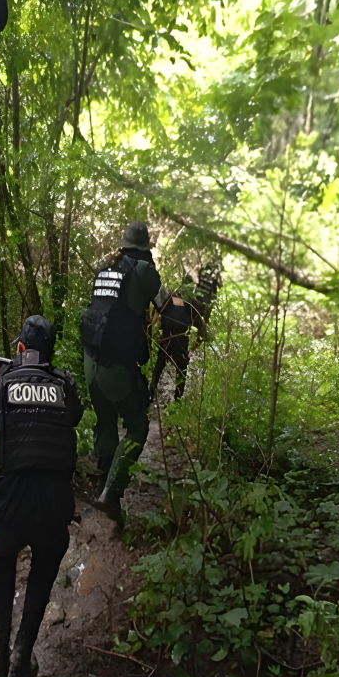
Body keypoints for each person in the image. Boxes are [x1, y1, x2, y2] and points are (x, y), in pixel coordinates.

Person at [0, 315, 83, 677]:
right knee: (39, 582)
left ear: (19, 348)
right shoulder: (64, 384)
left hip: (11, 503)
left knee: (3, 572)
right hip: (53, 505)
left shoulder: (4, 381)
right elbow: (75, 415)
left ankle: (2, 653)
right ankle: (20, 662)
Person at [81, 220, 161, 514]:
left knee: (104, 418)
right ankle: (110, 494)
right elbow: (159, 297)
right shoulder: (142, 271)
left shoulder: (104, 267)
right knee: (138, 426)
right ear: (144, 247)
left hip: (91, 359)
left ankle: (102, 474)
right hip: (115, 364)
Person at [149, 265, 221, 401]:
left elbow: (157, 307)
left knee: (160, 363)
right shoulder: (192, 303)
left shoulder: (168, 298)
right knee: (181, 368)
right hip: (180, 340)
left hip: (166, 338)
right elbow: (199, 324)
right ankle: (177, 398)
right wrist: (201, 339)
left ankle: (151, 392)